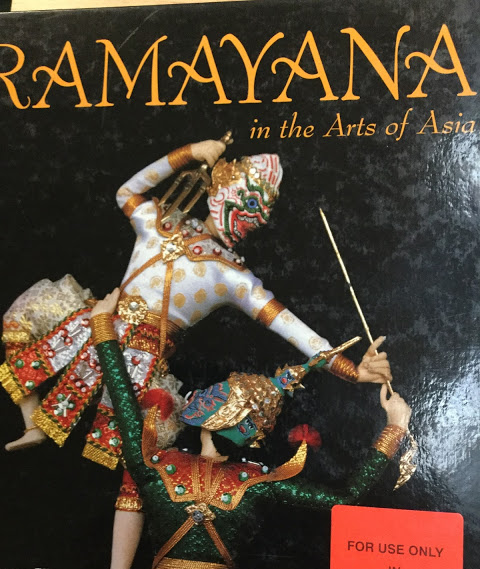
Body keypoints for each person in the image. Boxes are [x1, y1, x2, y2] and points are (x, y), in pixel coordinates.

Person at [1, 138, 391, 469]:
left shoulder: (233, 277)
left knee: (141, 454)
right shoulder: (160, 222)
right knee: (23, 318)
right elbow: (125, 192)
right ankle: (32, 421)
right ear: (219, 189)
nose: (252, 217)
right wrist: (188, 153)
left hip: (144, 357)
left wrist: (352, 371)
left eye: (260, 211)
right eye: (247, 200)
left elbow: (292, 328)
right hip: (96, 320)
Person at [69, 292, 410, 569]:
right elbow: (346, 496)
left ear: (211, 416)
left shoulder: (156, 465)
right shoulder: (259, 483)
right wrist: (394, 428)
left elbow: (124, 401)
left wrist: (103, 326)